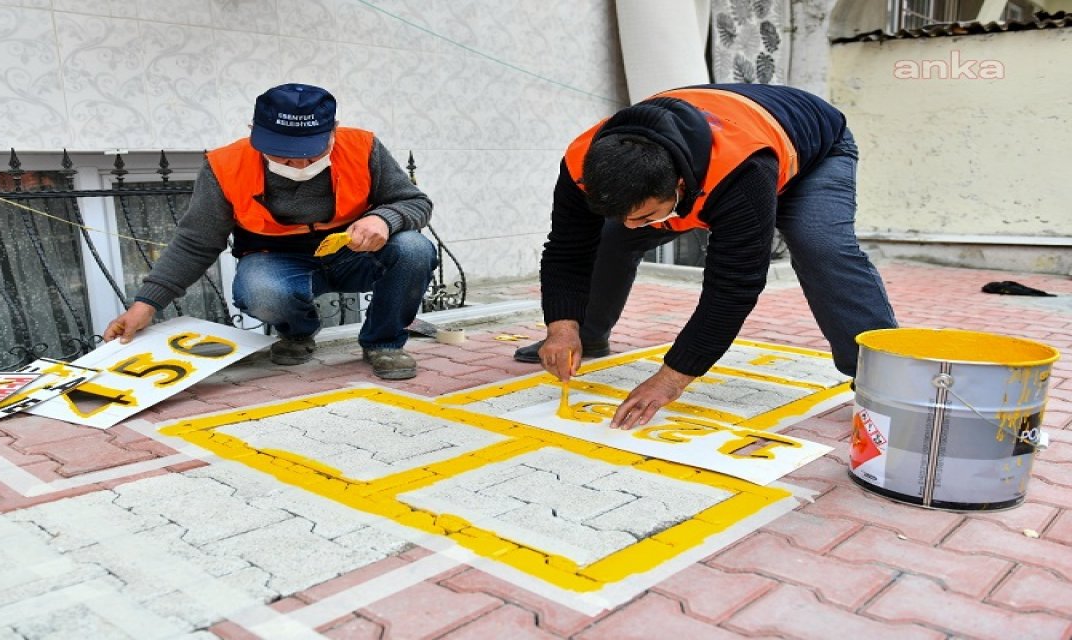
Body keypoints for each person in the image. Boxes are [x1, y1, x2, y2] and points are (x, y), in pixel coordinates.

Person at [520, 83, 897, 428]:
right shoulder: (582, 163)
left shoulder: (740, 170)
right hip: (718, 138)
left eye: (647, 216)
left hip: (814, 152)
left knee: (819, 245)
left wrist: (671, 379)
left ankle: (885, 380)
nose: (636, 225)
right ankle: (587, 334)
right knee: (610, 236)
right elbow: (566, 249)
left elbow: (733, 286)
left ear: (681, 186)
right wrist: (561, 327)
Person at [103, 83, 437, 380]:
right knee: (260, 290)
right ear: (254, 132)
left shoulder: (362, 147)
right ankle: (298, 333)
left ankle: (383, 342)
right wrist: (146, 304)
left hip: (355, 253)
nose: (301, 166)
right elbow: (195, 242)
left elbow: (414, 202)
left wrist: (385, 219)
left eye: (313, 153)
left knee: (414, 249)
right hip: (278, 258)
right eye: (286, 156)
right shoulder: (226, 165)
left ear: (334, 130)